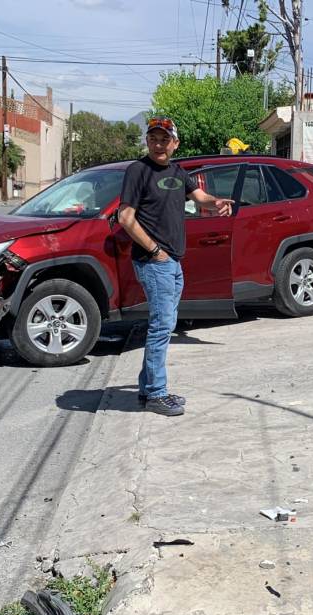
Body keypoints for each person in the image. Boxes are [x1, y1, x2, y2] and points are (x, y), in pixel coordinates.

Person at [118, 117, 234, 416]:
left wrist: (216, 202)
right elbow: (125, 218)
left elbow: (200, 198)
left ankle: (147, 390)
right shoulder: (138, 171)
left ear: (175, 143)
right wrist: (155, 251)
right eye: (154, 138)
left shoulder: (178, 172)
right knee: (161, 327)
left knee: (164, 325)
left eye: (165, 139)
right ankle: (157, 394)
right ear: (147, 141)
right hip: (155, 261)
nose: (159, 144)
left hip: (172, 262)